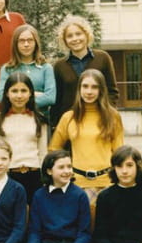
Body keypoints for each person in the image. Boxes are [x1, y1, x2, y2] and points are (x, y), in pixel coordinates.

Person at [49, 68, 124, 209]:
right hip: (77, 185)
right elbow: (54, 150)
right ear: (79, 89)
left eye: (94, 87)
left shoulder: (113, 116)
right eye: (85, 86)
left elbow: (119, 153)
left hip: (107, 183)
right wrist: (64, 172)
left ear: (101, 90)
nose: (89, 92)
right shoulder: (68, 117)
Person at [0, 72, 48, 204]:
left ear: (31, 93)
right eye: (14, 91)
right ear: (7, 93)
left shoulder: (39, 119)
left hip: (34, 175)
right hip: (8, 175)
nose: (19, 96)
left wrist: (45, 179)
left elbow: (43, 152)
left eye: (24, 91)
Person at [51, 15, 119, 128]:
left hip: (99, 121)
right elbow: (57, 99)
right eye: (69, 36)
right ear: (65, 40)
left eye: (78, 34)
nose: (75, 39)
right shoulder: (59, 66)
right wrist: (56, 125)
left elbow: (112, 92)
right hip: (70, 123)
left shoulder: (103, 58)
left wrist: (106, 114)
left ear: (86, 35)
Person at [0, 23, 56, 119]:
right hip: (14, 119)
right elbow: (2, 98)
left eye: (30, 40)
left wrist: (18, 100)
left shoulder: (46, 68)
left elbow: (50, 98)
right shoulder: (7, 69)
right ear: (15, 44)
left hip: (40, 119)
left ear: (36, 43)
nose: (26, 44)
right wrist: (35, 95)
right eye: (22, 41)